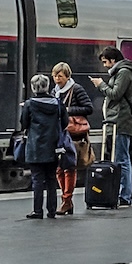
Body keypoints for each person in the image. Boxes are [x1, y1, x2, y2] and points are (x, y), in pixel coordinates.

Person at [18, 74, 66, 219]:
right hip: (53, 147)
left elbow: (24, 123)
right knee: (51, 178)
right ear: (47, 86)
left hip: (35, 147)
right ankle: (52, 210)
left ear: (33, 88)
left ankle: (37, 211)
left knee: (37, 180)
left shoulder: (29, 104)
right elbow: (64, 123)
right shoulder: (58, 103)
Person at [96, 47, 132, 207]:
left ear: (113, 60)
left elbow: (115, 93)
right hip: (116, 121)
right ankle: (120, 193)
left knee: (122, 159)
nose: (105, 65)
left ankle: (125, 195)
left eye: (106, 62)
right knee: (120, 158)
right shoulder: (121, 72)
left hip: (121, 121)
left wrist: (101, 85)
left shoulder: (124, 72)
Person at [51, 63, 93, 216]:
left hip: (73, 135)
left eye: (60, 76)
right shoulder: (55, 91)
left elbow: (89, 108)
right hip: (59, 134)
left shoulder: (77, 89)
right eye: (55, 76)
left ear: (67, 76)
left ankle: (66, 200)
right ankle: (66, 200)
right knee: (59, 168)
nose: (56, 79)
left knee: (69, 167)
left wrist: (67, 110)